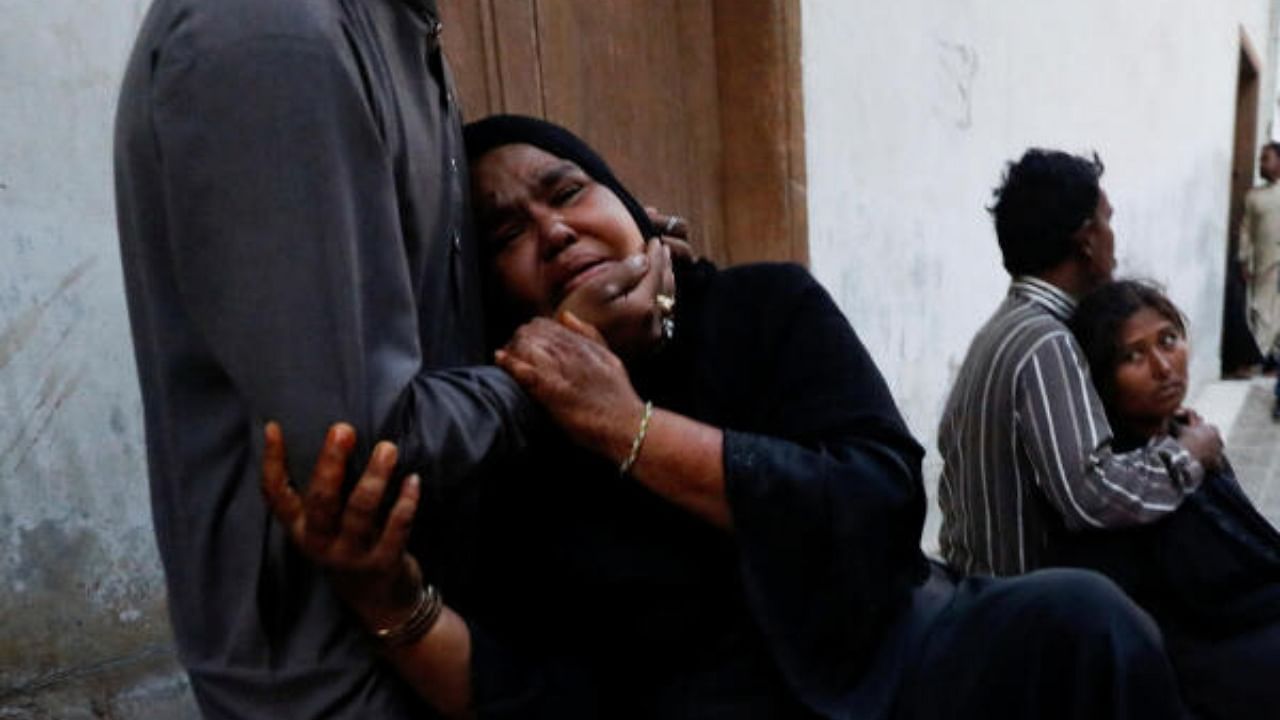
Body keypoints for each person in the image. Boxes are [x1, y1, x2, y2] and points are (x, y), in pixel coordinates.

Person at [262, 117, 1190, 719]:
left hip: (900, 648)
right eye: (505, 234)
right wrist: (387, 601)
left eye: (567, 191)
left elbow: (875, 503)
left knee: (1085, 620)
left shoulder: (761, 307)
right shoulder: (502, 429)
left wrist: (626, 425)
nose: (550, 231)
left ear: (629, 205)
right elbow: (528, 693)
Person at [112, 2, 669, 716]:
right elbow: (356, 456)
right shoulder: (274, 35)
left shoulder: (390, 25)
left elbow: (419, 321)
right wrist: (568, 361)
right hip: (340, 679)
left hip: (446, 652)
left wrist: (618, 263)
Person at [936, 149, 1224, 577]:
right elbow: (1091, 492)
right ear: (1088, 240)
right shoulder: (1046, 342)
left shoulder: (1004, 326)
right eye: (1109, 221)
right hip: (1019, 611)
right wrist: (1186, 455)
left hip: (979, 592)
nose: (1114, 238)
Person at [1063, 279, 1280, 719]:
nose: (1164, 367)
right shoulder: (1131, 480)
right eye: (1133, 356)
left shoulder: (1185, 438)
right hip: (1204, 668)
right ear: (1104, 377)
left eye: (1168, 340)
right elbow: (1214, 600)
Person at [1239, 141, 1280, 418]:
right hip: (1264, 269)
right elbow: (1246, 232)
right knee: (1261, 316)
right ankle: (1268, 360)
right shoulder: (1254, 197)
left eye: (1265, 159)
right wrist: (1244, 260)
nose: (1260, 164)